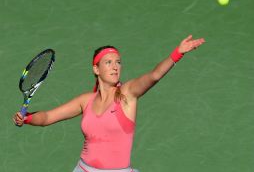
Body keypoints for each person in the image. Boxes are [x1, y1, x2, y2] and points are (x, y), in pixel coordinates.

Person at [13, 35, 205, 172]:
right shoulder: (85, 101)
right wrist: (27, 118)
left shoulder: (127, 94)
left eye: (118, 62)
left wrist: (178, 53)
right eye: (108, 62)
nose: (115, 66)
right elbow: (47, 117)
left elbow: (154, 76)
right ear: (96, 69)